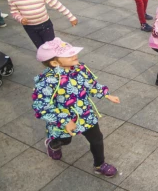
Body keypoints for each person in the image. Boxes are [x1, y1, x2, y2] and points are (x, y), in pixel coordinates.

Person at [32, 38, 119, 177]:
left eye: (73, 52)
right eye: (68, 55)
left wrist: (105, 94)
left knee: (97, 139)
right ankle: (53, 144)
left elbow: (91, 84)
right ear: (54, 62)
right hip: (62, 119)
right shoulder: (47, 82)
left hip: (85, 114)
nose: (74, 55)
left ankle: (99, 164)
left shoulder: (80, 68)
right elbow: (41, 106)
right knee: (66, 140)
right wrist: (65, 121)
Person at [7, 0, 78, 48]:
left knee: (51, 46)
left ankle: (55, 59)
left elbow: (57, 5)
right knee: (41, 48)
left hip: (45, 24)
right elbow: (14, 12)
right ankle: (46, 60)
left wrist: (71, 17)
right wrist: (20, 18)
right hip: (30, 27)